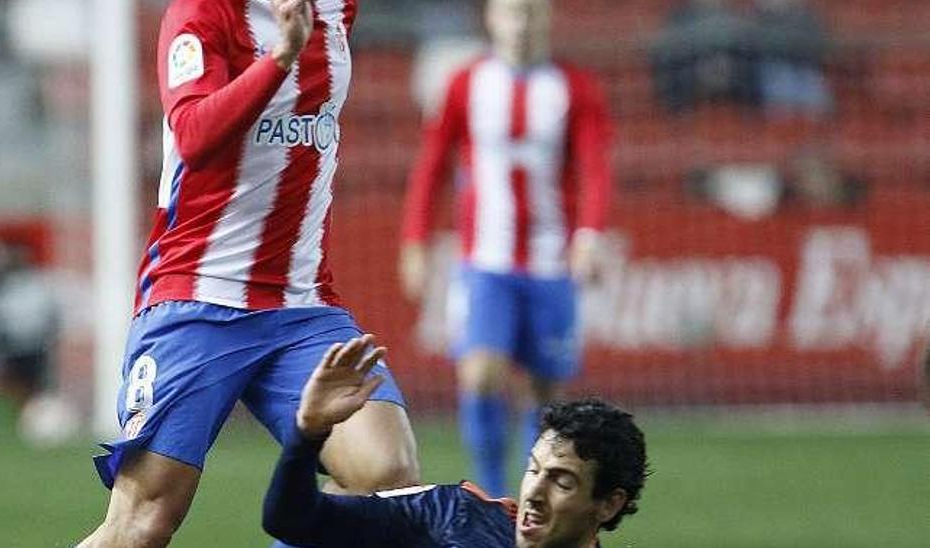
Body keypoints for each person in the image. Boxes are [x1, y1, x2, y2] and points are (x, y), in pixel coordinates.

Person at [79, 1, 420, 546]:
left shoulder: (336, 8)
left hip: (303, 306)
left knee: (387, 480)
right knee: (143, 523)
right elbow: (192, 134)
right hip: (197, 299)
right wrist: (280, 57)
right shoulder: (202, 14)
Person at [399, 0, 614, 497]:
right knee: (480, 374)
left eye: (531, 15)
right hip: (485, 263)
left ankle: (529, 498)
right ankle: (492, 496)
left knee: (546, 395)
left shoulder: (574, 88)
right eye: (512, 13)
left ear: (547, 20)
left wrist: (590, 234)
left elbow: (594, 168)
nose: (521, 25)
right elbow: (431, 166)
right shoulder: (465, 84)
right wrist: (416, 240)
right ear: (492, 19)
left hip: (549, 264)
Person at [263, 334, 648, 547]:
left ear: (608, 505)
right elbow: (294, 521)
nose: (535, 492)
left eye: (562, 481)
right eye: (534, 469)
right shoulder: (454, 514)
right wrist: (308, 433)